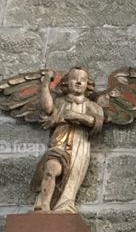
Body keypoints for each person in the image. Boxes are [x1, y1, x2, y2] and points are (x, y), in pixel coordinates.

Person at [31, 67, 104, 213]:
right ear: (66, 83)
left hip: (79, 144)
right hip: (59, 141)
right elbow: (48, 109)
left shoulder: (92, 105)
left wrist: (78, 116)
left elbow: (97, 122)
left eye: (83, 80)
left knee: (73, 176)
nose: (78, 82)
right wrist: (45, 85)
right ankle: (43, 205)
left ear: (87, 85)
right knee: (51, 168)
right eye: (74, 78)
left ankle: (65, 204)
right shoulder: (59, 101)